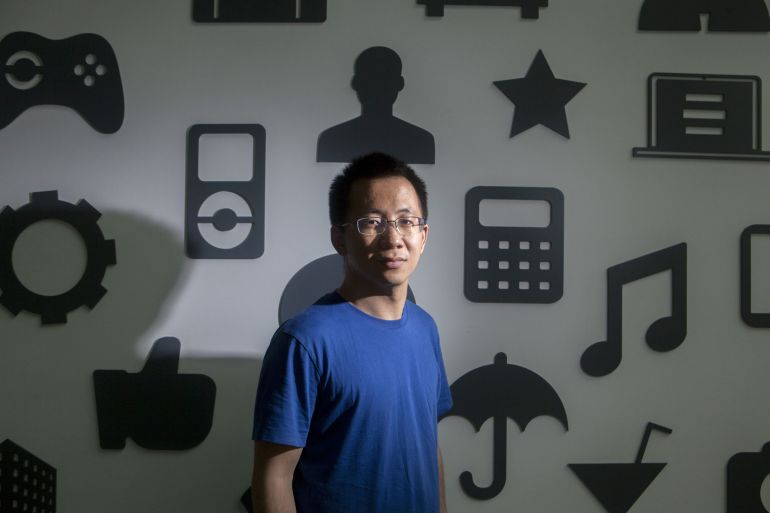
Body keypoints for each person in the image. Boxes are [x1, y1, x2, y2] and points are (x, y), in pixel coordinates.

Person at [251, 152, 452, 513]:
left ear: (423, 236)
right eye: (372, 222)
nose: (393, 239)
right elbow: (273, 477)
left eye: (406, 221)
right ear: (339, 238)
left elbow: (428, 446)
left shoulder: (426, 329)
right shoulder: (305, 341)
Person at [316, 47, 436, 164]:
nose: (378, 88)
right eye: (371, 79)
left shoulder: (332, 138)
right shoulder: (421, 140)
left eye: (385, 79)